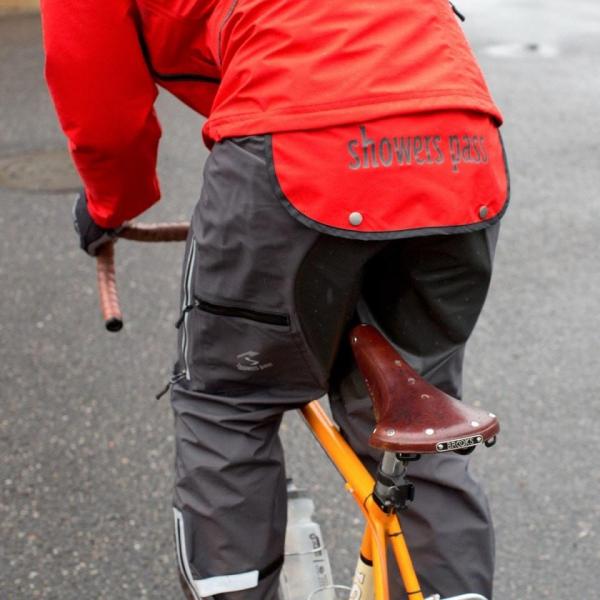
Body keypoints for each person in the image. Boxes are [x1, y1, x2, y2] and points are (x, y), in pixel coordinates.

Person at [42, 1, 509, 598]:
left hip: (296, 136)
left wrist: (109, 205)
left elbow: (96, 91)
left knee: (227, 402)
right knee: (416, 410)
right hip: (459, 136)